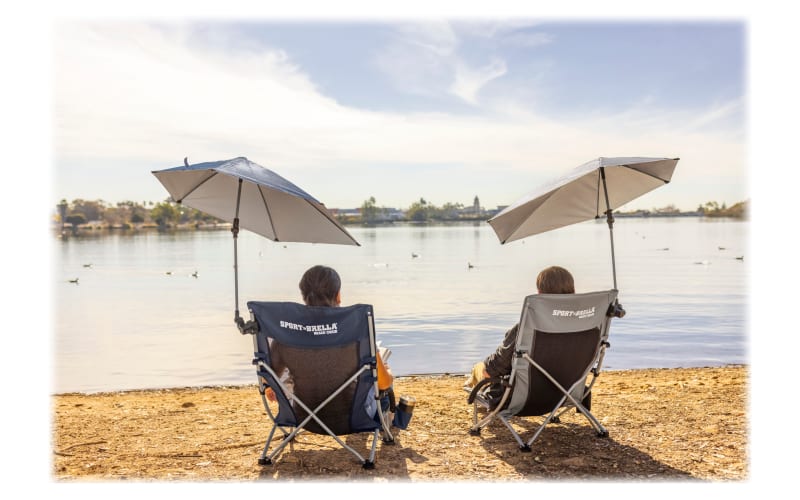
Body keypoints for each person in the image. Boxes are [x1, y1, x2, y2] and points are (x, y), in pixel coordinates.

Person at [266, 265, 403, 427]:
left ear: (303, 296)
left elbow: (268, 377)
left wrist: (272, 386)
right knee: (382, 377)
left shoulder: (286, 331)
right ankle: (386, 426)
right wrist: (387, 372)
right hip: (353, 418)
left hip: (302, 417)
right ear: (338, 296)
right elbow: (384, 384)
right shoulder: (356, 328)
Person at [467, 266, 575, 399]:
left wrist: (480, 369)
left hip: (524, 397)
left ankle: (473, 385)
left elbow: (493, 370)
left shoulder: (527, 327)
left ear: (540, 294)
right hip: (567, 393)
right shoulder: (584, 325)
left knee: (480, 369)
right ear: (572, 292)